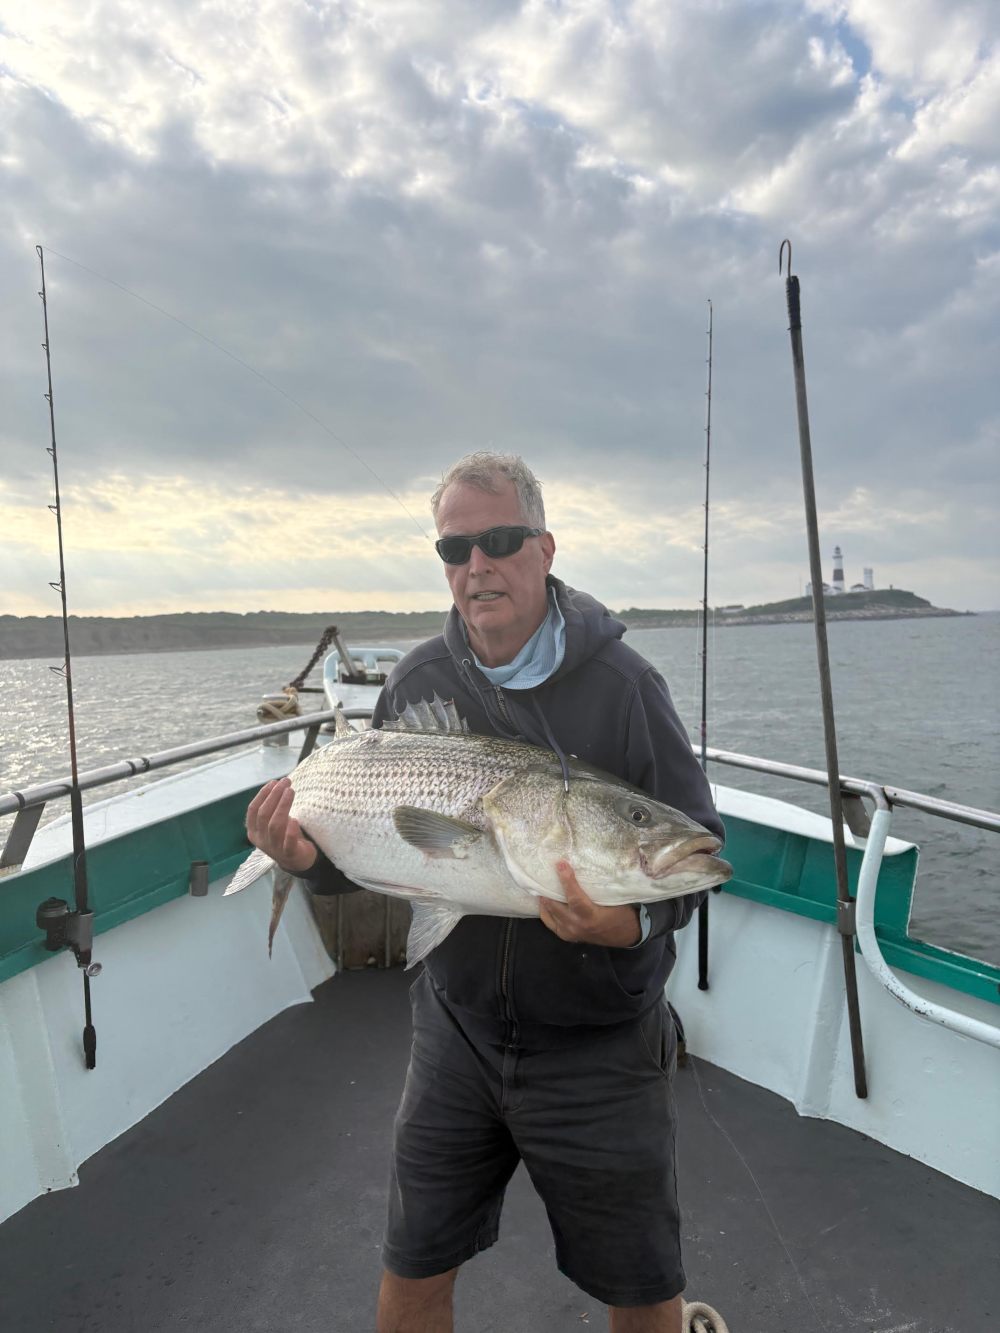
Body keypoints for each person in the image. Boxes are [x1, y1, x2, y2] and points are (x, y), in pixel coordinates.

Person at [245, 452, 724, 1333]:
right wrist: (303, 858)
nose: (478, 566)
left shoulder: (628, 689)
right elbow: (380, 851)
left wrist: (629, 924)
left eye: (500, 542)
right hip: (455, 1035)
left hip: (599, 1050)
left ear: (544, 549)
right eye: (456, 548)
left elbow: (696, 855)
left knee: (642, 1285)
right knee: (414, 1267)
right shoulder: (417, 681)